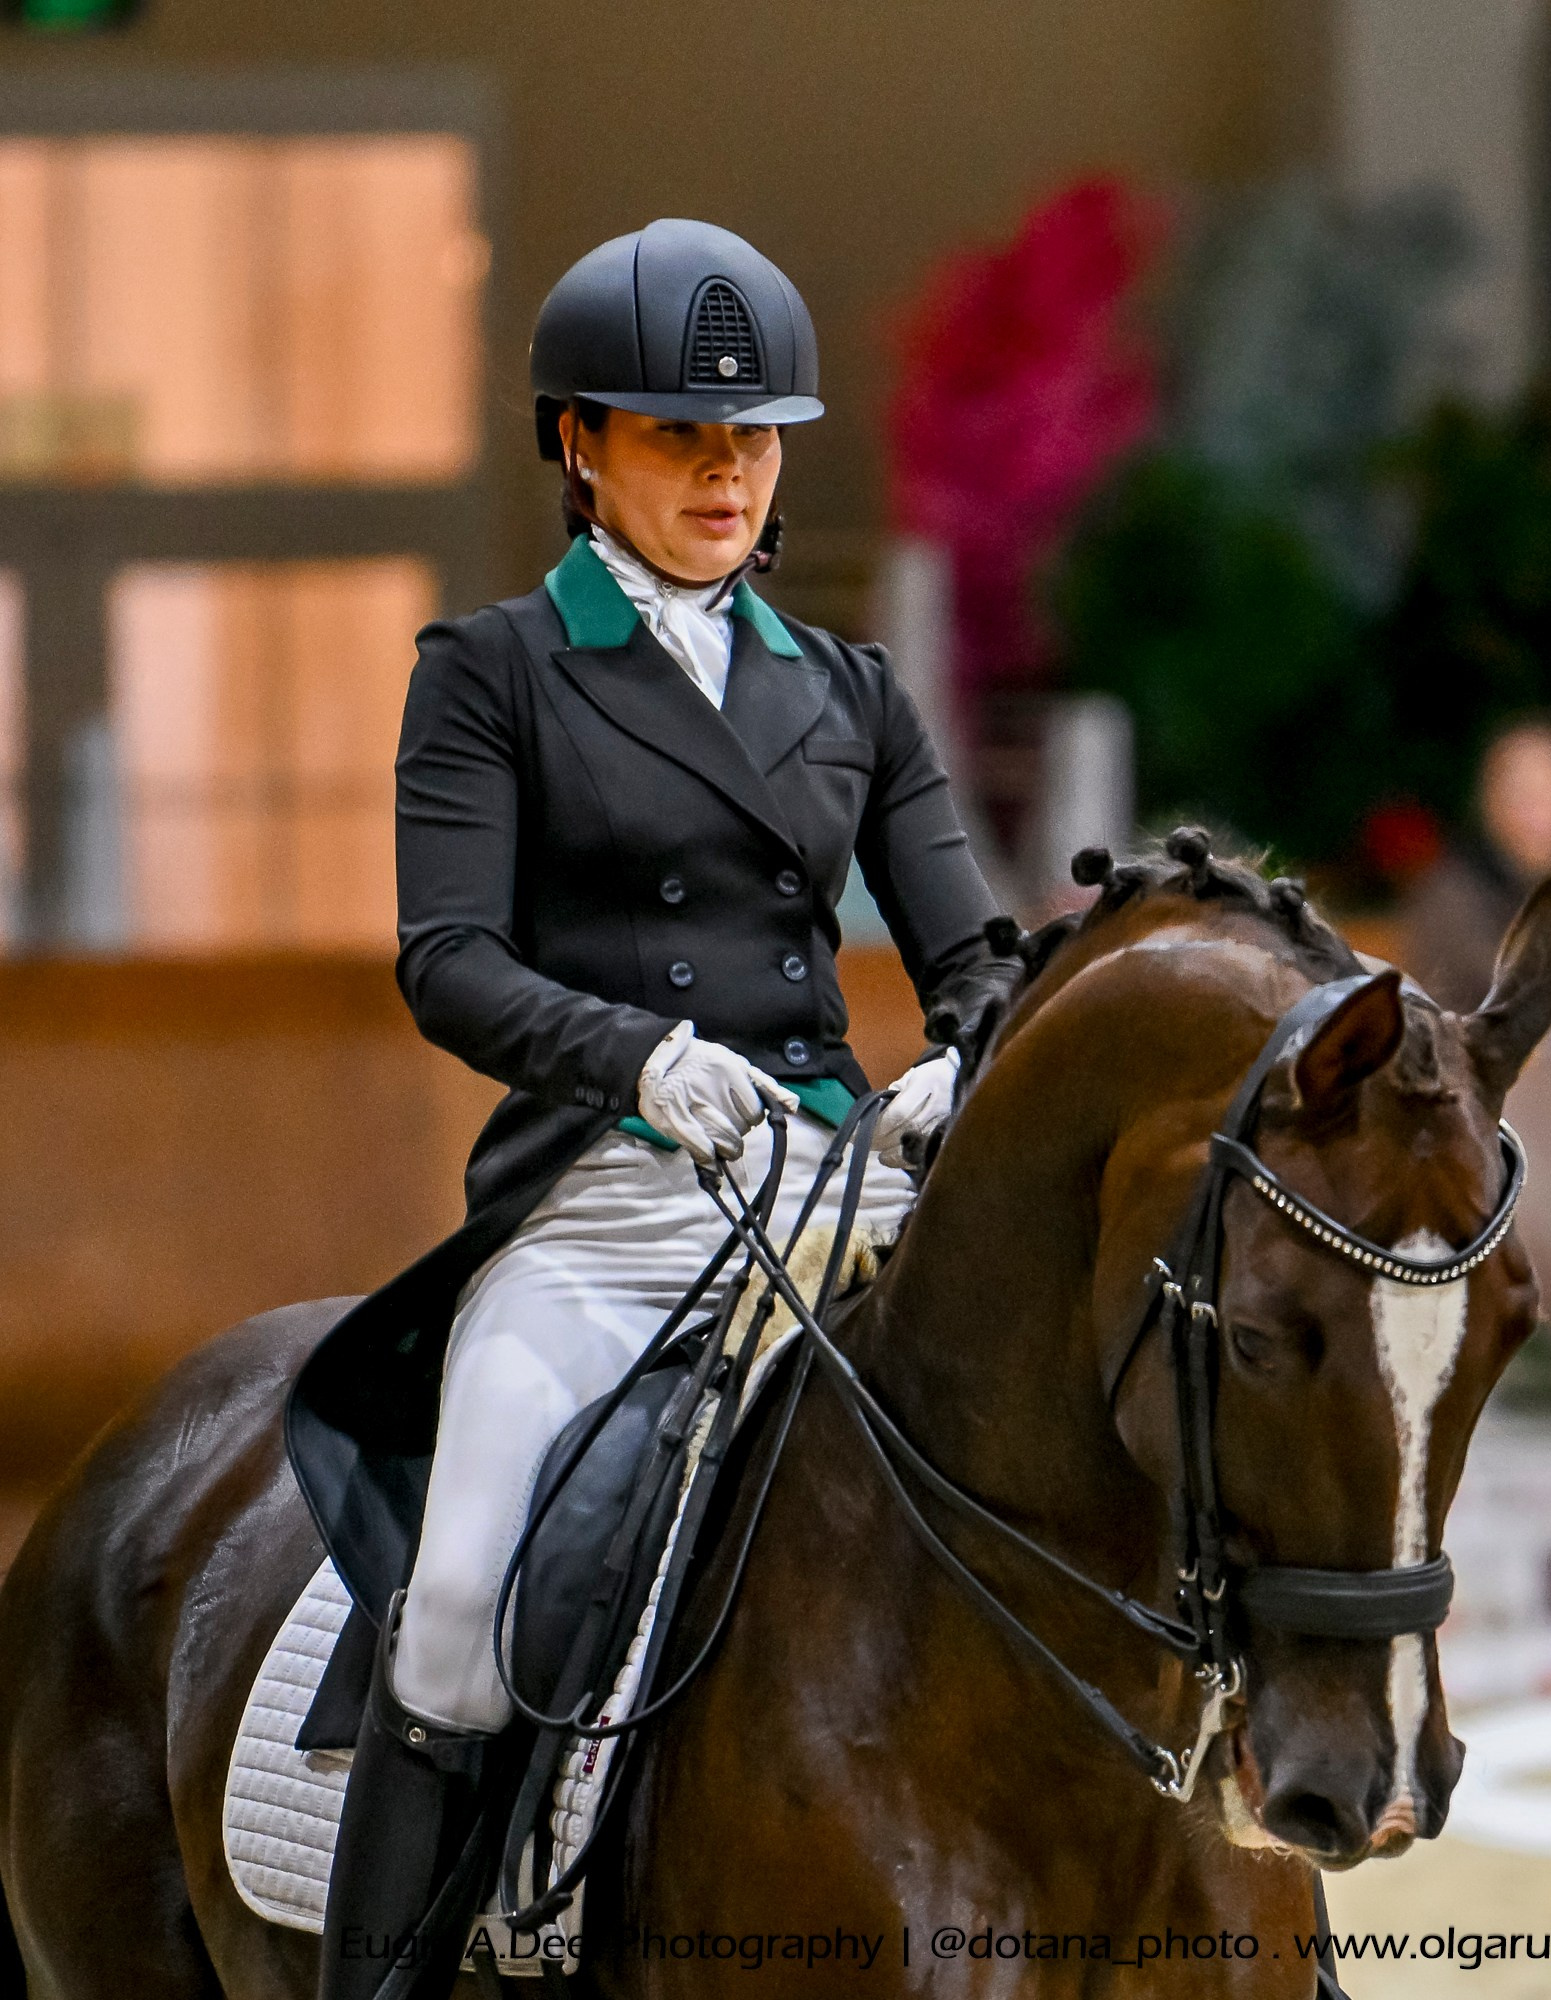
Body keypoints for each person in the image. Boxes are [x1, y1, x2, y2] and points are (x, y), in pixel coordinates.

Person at [287, 220, 1012, 1999]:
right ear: (578, 444)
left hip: (838, 1193)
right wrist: (631, 1057)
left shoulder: (851, 696)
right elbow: (446, 958)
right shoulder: (495, 672)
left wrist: (958, 1065)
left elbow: (978, 953)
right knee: (456, 1616)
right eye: (680, 435)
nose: (724, 470)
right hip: (605, 1214)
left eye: (754, 438)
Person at [1399, 716, 1551, 1013]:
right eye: (1521, 793)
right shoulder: (1449, 895)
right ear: (1489, 803)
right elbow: (1448, 1014)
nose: (1536, 810)